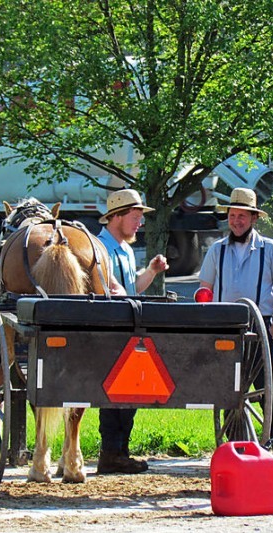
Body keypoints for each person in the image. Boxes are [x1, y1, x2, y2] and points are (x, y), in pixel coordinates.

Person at [197, 187, 273, 467]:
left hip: (260, 324)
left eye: (242, 216)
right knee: (229, 390)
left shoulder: (270, 249)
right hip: (226, 325)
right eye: (232, 216)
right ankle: (235, 445)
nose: (236, 221)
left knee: (270, 387)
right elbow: (205, 288)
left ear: (254, 218)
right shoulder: (216, 250)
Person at [95, 188, 169, 474]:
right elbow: (112, 291)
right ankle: (111, 452)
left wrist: (151, 271)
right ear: (116, 217)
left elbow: (131, 289)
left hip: (128, 328)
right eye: (135, 217)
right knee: (115, 393)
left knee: (130, 393)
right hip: (111, 330)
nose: (140, 223)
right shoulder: (99, 249)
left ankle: (118, 452)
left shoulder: (125, 249)